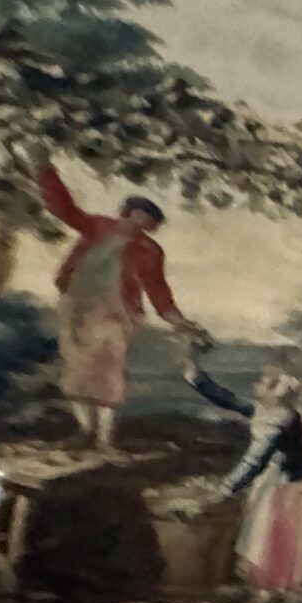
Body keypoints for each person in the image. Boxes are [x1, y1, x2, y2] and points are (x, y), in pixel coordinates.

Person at [35, 161, 201, 452]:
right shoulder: (98, 226)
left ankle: (104, 440)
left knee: (108, 371)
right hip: (77, 306)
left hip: (116, 312)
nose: (145, 223)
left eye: (150, 221)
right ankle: (85, 432)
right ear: (129, 213)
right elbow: (64, 209)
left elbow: (158, 291)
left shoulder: (150, 250)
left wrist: (178, 321)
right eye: (142, 216)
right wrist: (45, 171)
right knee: (76, 369)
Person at [183, 353, 302, 597]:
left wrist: (225, 488)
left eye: (263, 382)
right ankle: (264, 588)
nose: (256, 385)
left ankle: (276, 590)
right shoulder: (265, 409)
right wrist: (196, 377)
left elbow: (254, 460)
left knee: (272, 536)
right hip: (274, 479)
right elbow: (229, 400)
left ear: (277, 392)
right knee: (258, 532)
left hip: (291, 486)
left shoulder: (279, 418)